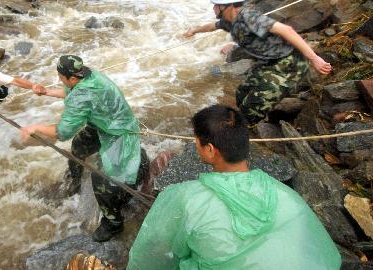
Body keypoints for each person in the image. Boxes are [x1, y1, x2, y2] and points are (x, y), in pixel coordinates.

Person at [127, 104, 341, 269]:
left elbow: (150, 257)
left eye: (196, 141)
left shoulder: (186, 199)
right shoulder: (285, 193)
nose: (195, 145)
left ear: (210, 150)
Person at [20, 55, 148, 242]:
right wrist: (46, 92)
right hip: (102, 124)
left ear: (72, 78)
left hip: (119, 132)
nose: (60, 80)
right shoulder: (88, 75)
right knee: (79, 146)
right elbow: (72, 92)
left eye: (60, 77)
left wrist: (34, 127)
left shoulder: (82, 94)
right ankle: (75, 179)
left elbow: (62, 132)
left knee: (101, 178)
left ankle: (113, 223)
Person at [184, 0, 332, 125]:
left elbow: (287, 30)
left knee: (250, 110)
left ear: (226, 6)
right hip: (268, 63)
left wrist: (314, 58)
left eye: (216, 5)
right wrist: (194, 31)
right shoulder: (230, 19)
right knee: (242, 94)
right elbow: (212, 26)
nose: (214, 8)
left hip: (289, 65)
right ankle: (260, 116)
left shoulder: (249, 17)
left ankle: (248, 128)